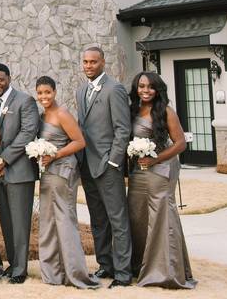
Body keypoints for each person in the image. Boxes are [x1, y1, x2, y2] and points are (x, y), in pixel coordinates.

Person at [127, 72, 197, 289]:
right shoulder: (133, 110)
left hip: (161, 170)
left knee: (161, 217)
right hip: (138, 171)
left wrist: (154, 158)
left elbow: (180, 143)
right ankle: (140, 266)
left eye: (150, 87)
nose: (145, 91)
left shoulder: (166, 111)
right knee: (137, 216)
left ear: (157, 90)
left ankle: (167, 270)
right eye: (141, 86)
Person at [34, 76, 98, 289]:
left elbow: (79, 142)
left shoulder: (62, 113)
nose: (44, 96)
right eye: (40, 93)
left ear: (54, 91)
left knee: (65, 220)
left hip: (63, 171)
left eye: (48, 92)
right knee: (49, 221)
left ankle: (74, 272)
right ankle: (54, 270)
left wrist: (55, 154)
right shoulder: (44, 115)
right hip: (48, 172)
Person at [76, 45, 132, 288]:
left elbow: (123, 129)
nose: (89, 66)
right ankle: (105, 265)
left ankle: (123, 273)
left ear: (102, 63)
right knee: (98, 219)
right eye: (86, 62)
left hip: (108, 165)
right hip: (87, 165)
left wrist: (113, 160)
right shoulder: (81, 91)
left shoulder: (114, 89)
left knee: (117, 219)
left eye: (93, 62)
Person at [0, 63, 40, 283]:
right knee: (7, 221)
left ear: (9, 78)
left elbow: (28, 132)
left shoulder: (24, 101)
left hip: (18, 171)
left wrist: (3, 159)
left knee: (20, 222)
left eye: (0, 79)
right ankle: (12, 263)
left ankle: (20, 270)